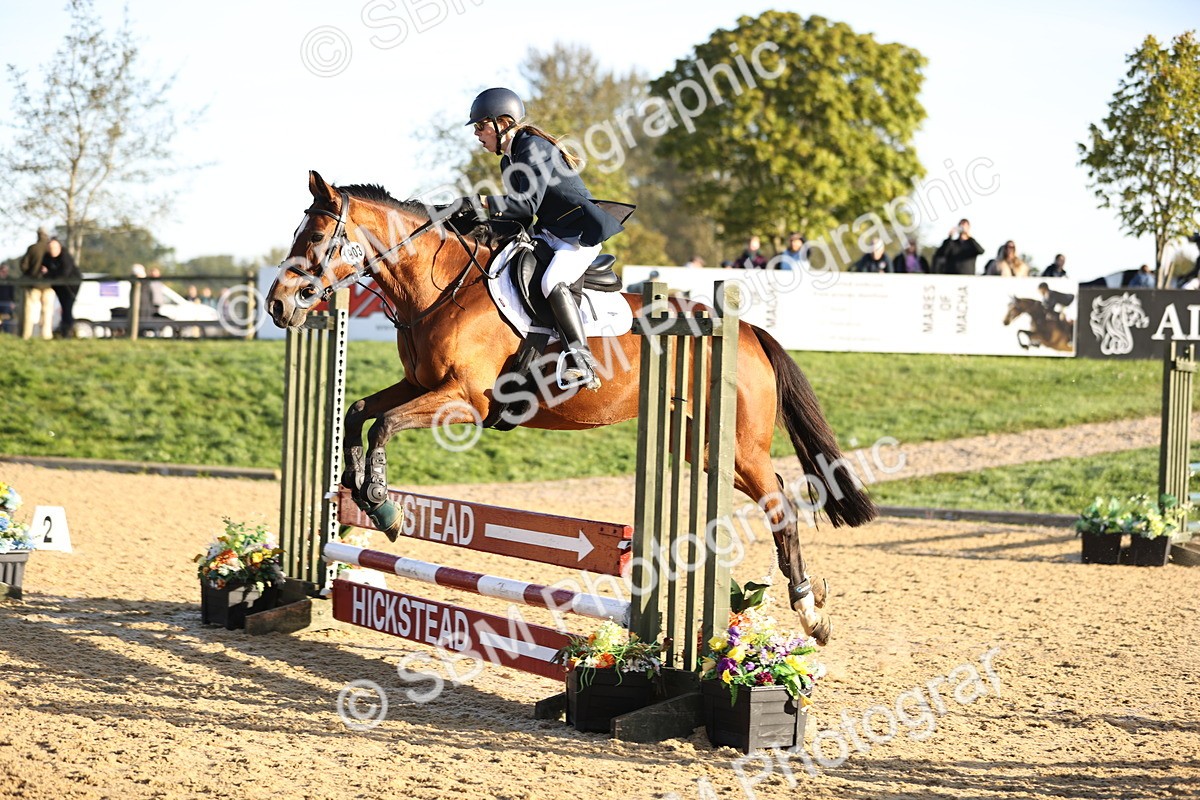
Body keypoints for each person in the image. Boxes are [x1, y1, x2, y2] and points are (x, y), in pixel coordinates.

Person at [457, 87, 627, 391]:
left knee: (552, 282)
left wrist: (482, 203)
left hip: (577, 235)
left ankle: (581, 360)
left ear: (503, 122)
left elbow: (525, 206)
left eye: (480, 126)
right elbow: (520, 218)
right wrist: (475, 222)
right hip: (549, 232)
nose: (477, 134)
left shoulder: (532, 148)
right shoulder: (509, 160)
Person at [19, 227, 55, 339]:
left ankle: (26, 335)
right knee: (47, 312)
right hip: (49, 285)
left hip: (33, 284)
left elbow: (24, 265)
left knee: (29, 311)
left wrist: (31, 272)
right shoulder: (50, 249)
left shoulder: (32, 248)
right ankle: (46, 335)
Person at [43, 237, 82, 337]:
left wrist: (50, 273)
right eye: (50, 248)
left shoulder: (65, 256)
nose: (52, 250)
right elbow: (44, 271)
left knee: (67, 308)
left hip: (70, 288)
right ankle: (66, 332)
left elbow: (64, 273)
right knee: (64, 309)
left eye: (54, 247)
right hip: (59, 288)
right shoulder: (47, 258)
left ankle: (67, 333)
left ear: (59, 247)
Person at [0, 262, 15, 334]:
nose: (5, 273)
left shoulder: (10, 280)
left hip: (7, 303)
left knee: (6, 321)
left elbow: (12, 292)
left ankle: (6, 334)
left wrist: (12, 302)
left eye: (6, 271)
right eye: (3, 271)